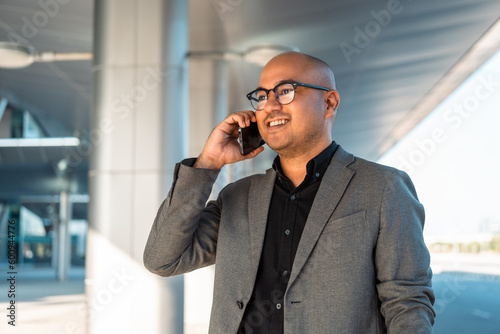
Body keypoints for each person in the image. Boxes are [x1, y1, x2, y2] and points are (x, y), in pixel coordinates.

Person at [143, 51, 435, 333]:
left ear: (330, 103)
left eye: (285, 91)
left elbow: (406, 302)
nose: (270, 105)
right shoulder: (236, 197)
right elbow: (163, 259)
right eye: (262, 96)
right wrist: (208, 164)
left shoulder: (384, 188)